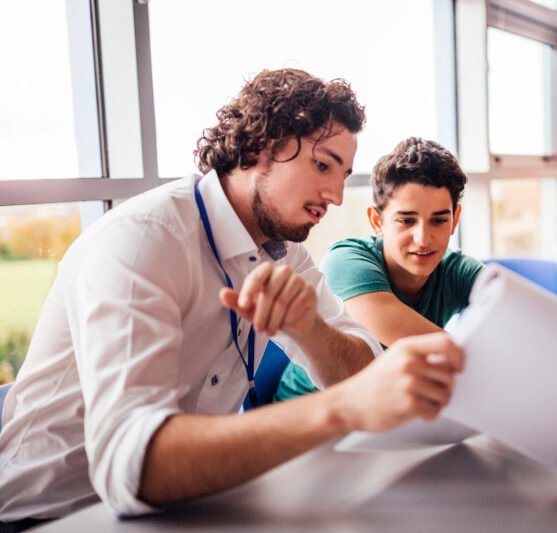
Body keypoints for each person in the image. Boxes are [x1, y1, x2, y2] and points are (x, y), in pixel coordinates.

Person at [0, 69, 464, 528]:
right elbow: (132, 465)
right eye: (323, 165)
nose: (336, 196)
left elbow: (364, 368)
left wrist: (311, 330)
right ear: (258, 146)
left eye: (343, 174)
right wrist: (342, 407)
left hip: (190, 505)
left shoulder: (283, 253)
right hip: (52, 514)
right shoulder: (145, 241)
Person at [275, 137, 483, 401]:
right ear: (377, 221)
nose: (423, 238)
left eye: (439, 220)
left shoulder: (458, 270)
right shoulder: (346, 261)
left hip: (385, 412)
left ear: (454, 221)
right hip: (307, 416)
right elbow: (452, 356)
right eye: (406, 220)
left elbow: (516, 319)